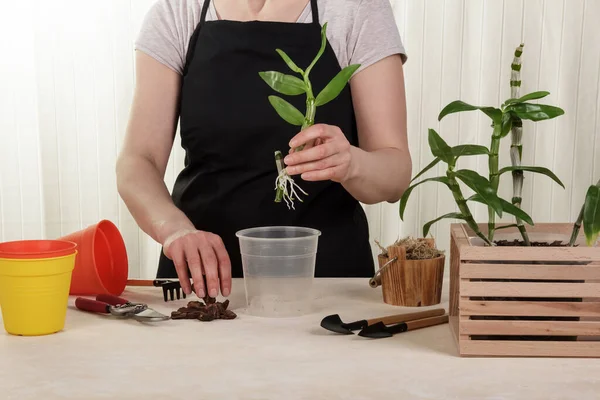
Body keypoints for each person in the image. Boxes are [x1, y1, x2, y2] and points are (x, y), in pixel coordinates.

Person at [116, 0, 412, 301]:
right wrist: (175, 230)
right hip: (202, 288)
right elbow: (139, 161)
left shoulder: (357, 8)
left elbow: (395, 171)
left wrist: (352, 164)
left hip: (328, 290)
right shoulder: (178, 12)